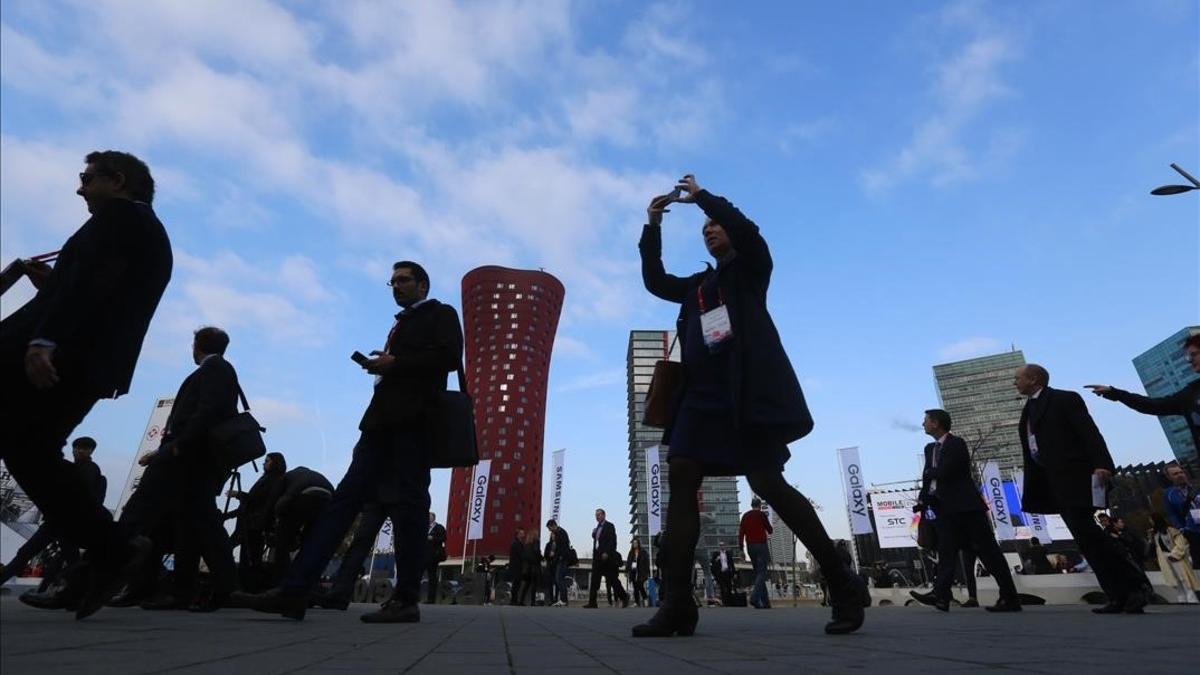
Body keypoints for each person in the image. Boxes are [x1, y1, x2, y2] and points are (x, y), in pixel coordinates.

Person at [633, 175, 865, 637]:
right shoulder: (699, 284)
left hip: (744, 394)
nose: (710, 230)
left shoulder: (752, 268)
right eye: (705, 229)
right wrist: (653, 223)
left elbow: (748, 229)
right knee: (681, 475)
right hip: (698, 397)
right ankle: (678, 603)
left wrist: (702, 198)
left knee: (766, 482)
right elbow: (655, 280)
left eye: (716, 226)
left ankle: (841, 583)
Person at [240, 261, 463, 623]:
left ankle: (406, 599)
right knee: (343, 503)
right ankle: (294, 591)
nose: (396, 286)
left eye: (403, 280)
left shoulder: (441, 314)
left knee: (408, 508)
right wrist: (385, 365)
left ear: (423, 285)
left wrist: (396, 363)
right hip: (378, 425)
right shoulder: (401, 322)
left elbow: (450, 358)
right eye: (392, 281)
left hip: (413, 425)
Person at [0, 150, 171, 619]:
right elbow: (101, 290)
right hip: (89, 360)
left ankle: (111, 549)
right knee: (30, 450)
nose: (79, 189)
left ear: (116, 181)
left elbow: (92, 288)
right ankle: (110, 551)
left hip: (59, 355)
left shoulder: (118, 218)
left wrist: (45, 336)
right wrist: (55, 287)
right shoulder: (146, 231)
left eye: (86, 179)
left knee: (28, 449)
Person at [1014, 364, 1151, 614]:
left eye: (1018, 378)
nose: (1015, 382)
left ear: (1033, 379)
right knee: (1085, 538)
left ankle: (1135, 587)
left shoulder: (1064, 399)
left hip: (1076, 478)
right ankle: (1117, 594)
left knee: (1090, 534)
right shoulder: (1028, 411)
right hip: (1053, 482)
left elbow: (1089, 433)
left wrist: (1102, 464)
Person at [136, 327, 241, 612]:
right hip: (195, 457)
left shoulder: (214, 368)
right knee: (191, 523)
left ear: (196, 345)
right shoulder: (219, 369)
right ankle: (188, 589)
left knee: (153, 514)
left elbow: (206, 411)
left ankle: (219, 588)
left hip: (191, 456)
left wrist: (177, 445)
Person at [909, 410, 1020, 612]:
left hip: (966, 507)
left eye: (926, 420)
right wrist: (923, 500)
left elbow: (945, 471)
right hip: (942, 508)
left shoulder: (956, 444)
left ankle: (1009, 596)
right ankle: (941, 595)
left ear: (936, 423)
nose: (922, 424)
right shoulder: (930, 449)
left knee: (988, 551)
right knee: (946, 551)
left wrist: (930, 472)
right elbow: (929, 478)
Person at [1086, 332, 1200, 481]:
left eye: (1194, 354)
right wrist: (1116, 393)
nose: (1189, 361)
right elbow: (1153, 405)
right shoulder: (1190, 394)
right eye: (1188, 357)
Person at [0, 437, 107, 587]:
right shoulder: (75, 468)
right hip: (62, 521)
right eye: (78, 447)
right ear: (73, 449)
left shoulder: (89, 469)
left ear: (91, 451)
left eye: (85, 448)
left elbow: (78, 495)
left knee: (30, 552)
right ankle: (67, 590)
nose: (80, 451)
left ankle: (70, 590)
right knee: (66, 558)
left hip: (64, 521)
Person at [226, 452, 288, 592]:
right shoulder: (268, 479)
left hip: (255, 524)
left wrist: (238, 495)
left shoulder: (273, 480)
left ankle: (248, 588)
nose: (264, 463)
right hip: (249, 523)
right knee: (247, 557)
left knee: (250, 557)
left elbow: (258, 501)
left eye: (267, 461)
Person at [267, 465, 334, 585]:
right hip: (326, 500)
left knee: (282, 542)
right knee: (311, 543)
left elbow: (275, 500)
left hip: (303, 497)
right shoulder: (317, 476)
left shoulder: (287, 476)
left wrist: (272, 521)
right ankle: (308, 580)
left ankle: (280, 581)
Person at [1147, 513, 1198, 604]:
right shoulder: (1155, 534)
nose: (1150, 523)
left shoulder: (1172, 531)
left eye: (1151, 521)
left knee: (1183, 577)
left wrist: (1174, 554)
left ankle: (1191, 596)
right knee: (1175, 578)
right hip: (1165, 558)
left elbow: (1181, 544)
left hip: (1176, 557)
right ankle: (1181, 596)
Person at [1159, 462, 1200, 569]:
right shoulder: (1168, 494)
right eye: (1175, 474)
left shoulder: (1197, 486)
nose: (1180, 475)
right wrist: (1182, 528)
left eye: (1181, 472)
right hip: (1193, 533)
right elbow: (1172, 514)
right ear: (1169, 477)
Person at [585, 508, 629, 608]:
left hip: (607, 558)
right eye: (596, 515)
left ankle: (624, 596)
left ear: (604, 515)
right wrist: (594, 534)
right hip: (597, 558)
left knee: (613, 580)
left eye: (599, 514)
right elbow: (598, 541)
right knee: (595, 580)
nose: (597, 516)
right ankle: (592, 603)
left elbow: (612, 541)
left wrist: (606, 552)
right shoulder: (597, 528)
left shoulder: (610, 526)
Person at [739, 497, 773, 609]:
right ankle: (754, 597)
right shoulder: (761, 515)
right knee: (762, 572)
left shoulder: (745, 516)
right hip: (761, 545)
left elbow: (741, 534)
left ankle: (765, 603)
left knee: (758, 572)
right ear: (759, 505)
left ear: (751, 505)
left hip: (750, 547)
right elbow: (770, 530)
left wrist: (741, 549)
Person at [546, 519, 572, 607]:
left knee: (559, 578)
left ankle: (563, 599)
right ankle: (564, 599)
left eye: (550, 528)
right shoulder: (556, 534)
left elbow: (564, 546)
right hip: (559, 559)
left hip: (562, 559)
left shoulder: (561, 533)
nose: (550, 530)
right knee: (559, 579)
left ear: (553, 525)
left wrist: (561, 557)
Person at [424, 512, 447, 603]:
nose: (428, 519)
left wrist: (433, 538)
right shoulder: (423, 527)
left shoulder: (439, 527)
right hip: (422, 555)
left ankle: (431, 598)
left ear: (433, 518)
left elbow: (444, 538)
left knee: (432, 576)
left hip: (433, 556)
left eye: (429, 517)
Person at [519, 533, 543, 606]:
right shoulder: (536, 542)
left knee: (526, 585)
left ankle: (521, 600)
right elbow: (536, 552)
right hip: (534, 567)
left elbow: (523, 556)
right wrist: (541, 558)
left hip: (527, 568)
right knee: (534, 585)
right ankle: (533, 602)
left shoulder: (526, 545)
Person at [626, 538, 650, 607]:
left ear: (638, 543)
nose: (634, 544)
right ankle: (637, 602)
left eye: (636, 543)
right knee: (635, 588)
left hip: (641, 572)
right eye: (633, 543)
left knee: (640, 586)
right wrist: (627, 571)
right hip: (633, 571)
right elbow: (628, 562)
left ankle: (645, 598)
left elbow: (646, 562)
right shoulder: (631, 552)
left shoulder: (643, 552)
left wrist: (647, 571)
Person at [507, 528, 526, 606]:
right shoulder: (516, 543)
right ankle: (513, 600)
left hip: (516, 566)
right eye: (522, 533)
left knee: (516, 584)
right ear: (518, 534)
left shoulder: (517, 542)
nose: (523, 534)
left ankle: (514, 600)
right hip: (516, 567)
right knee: (516, 584)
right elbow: (521, 555)